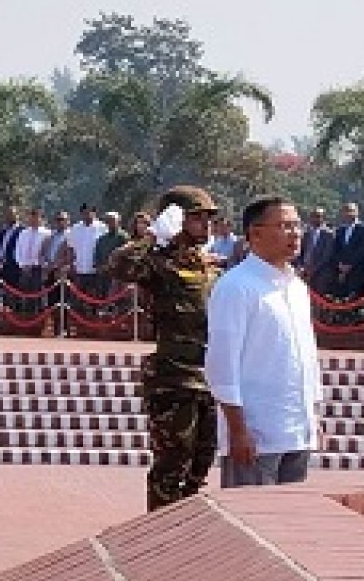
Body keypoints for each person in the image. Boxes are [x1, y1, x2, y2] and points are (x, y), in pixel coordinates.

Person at [108, 186, 223, 511]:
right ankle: (159, 536)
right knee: (172, 466)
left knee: (201, 465)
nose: (207, 225)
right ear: (177, 219)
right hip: (174, 380)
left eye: (210, 219)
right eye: (198, 218)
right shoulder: (158, 262)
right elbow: (118, 266)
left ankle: (182, 536)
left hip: (209, 379)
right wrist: (155, 236)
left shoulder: (210, 266)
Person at [205, 195, 322, 488]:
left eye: (297, 226)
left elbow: (306, 356)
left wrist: (313, 414)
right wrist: (237, 429)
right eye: (284, 226)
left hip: (296, 429)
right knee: (251, 520)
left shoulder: (296, 287)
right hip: (256, 433)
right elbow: (222, 364)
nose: (295, 234)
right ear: (255, 233)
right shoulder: (236, 287)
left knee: (286, 525)